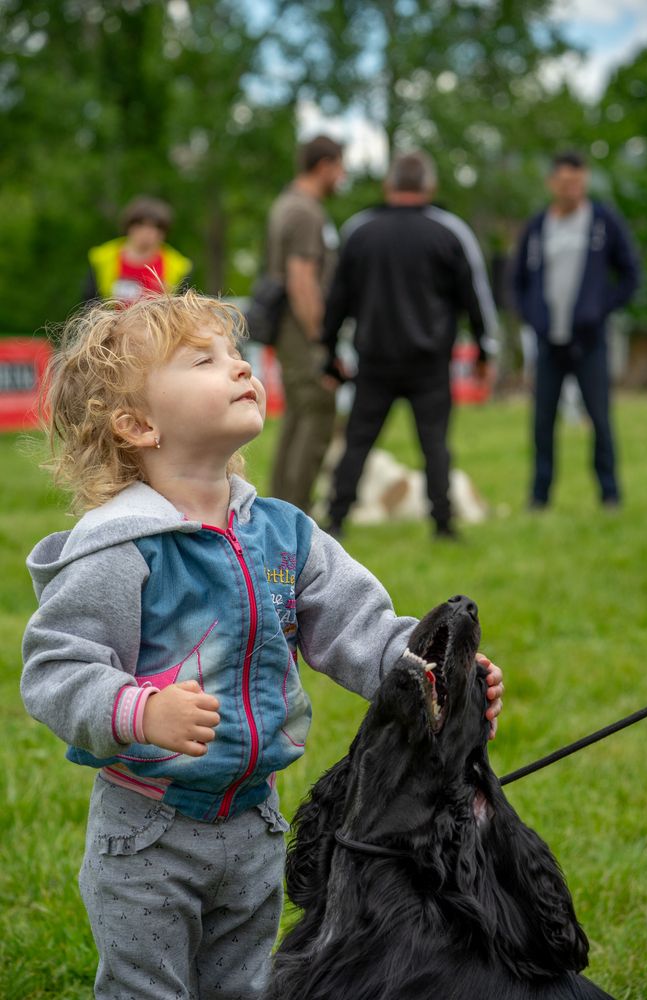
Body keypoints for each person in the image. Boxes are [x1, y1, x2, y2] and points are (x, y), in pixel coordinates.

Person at [21, 290, 504, 1000]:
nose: (241, 368)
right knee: (145, 988)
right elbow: (56, 666)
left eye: (238, 355)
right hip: (148, 831)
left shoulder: (282, 533)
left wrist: (433, 675)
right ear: (138, 424)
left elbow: (358, 628)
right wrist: (137, 712)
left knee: (243, 985)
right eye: (204, 361)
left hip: (254, 821)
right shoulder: (120, 551)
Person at [322, 150, 498, 539]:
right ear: (429, 186)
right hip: (430, 362)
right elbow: (475, 296)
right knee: (435, 445)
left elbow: (337, 298)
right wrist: (486, 351)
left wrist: (328, 352)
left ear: (389, 185)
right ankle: (443, 524)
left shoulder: (360, 231)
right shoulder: (450, 231)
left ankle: (335, 519)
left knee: (358, 443)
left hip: (374, 359)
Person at [512, 150, 640, 509]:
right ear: (552, 183)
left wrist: (600, 308)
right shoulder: (538, 227)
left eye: (579, 182)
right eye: (565, 182)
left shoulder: (602, 222)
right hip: (548, 341)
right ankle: (539, 497)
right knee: (542, 423)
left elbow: (630, 273)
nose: (572, 189)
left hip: (590, 340)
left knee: (599, 418)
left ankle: (610, 494)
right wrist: (531, 314)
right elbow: (518, 280)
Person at [267, 134, 345, 512]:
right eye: (340, 167)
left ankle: (280, 514)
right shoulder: (305, 212)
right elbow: (302, 280)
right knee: (315, 415)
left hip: (290, 332)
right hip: (302, 332)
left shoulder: (287, 204)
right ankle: (296, 516)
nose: (342, 176)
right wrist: (321, 340)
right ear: (325, 165)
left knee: (299, 417)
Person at [83, 195, 192, 305]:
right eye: (141, 225)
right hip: (113, 321)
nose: (148, 232)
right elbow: (89, 305)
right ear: (129, 226)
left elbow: (182, 312)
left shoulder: (178, 267)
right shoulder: (102, 259)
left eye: (156, 227)